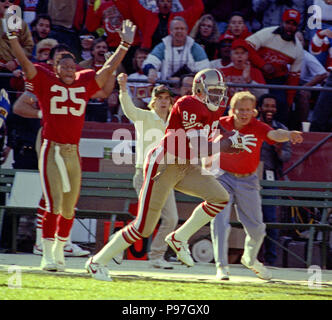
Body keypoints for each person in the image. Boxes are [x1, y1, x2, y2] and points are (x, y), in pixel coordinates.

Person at [85, 68, 258, 281]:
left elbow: (211, 134)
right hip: (163, 166)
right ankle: (97, 262)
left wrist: (231, 138)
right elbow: (201, 147)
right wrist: (227, 143)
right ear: (199, 89)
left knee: (220, 197)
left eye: (220, 91)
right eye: (212, 91)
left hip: (187, 165)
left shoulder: (217, 106)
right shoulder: (188, 104)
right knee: (143, 227)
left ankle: (179, 237)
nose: (218, 96)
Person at [5, 16, 136, 271]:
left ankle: (59, 250)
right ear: (54, 68)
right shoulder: (44, 79)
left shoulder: (84, 80)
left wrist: (124, 46)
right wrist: (12, 39)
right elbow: (23, 61)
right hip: (51, 148)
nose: (67, 71)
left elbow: (107, 69)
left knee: (68, 205)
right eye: (63, 67)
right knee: (54, 202)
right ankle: (46, 253)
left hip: (72, 151)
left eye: (70, 67)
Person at [208, 91, 303, 281]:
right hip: (222, 176)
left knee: (257, 229)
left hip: (248, 180)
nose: (244, 114)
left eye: (248, 110)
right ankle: (221, 267)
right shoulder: (220, 124)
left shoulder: (257, 126)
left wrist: (289, 134)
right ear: (232, 110)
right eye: (240, 110)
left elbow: (275, 134)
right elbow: (205, 144)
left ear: (254, 112)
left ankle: (250, 259)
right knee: (219, 221)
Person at [117, 73, 178, 269]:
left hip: (165, 177)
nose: (163, 101)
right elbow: (128, 109)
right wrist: (123, 88)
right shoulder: (144, 116)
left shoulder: (174, 124)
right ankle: (116, 244)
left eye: (166, 98)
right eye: (159, 98)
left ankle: (157, 255)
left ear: (171, 103)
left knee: (171, 218)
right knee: (146, 222)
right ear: (153, 101)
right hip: (144, 175)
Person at [246, 9, 304, 126]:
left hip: (277, 80)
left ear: (298, 27)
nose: (290, 27)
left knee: (281, 103)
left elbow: (294, 78)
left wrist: (289, 102)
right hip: (258, 73)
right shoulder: (267, 33)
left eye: (294, 25)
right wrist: (263, 64)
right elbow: (246, 47)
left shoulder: (298, 48)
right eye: (288, 23)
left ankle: (278, 132)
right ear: (282, 22)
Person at [257, 93, 292, 266]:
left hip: (270, 178)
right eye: (267, 106)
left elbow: (286, 156)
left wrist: (278, 149)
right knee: (251, 218)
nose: (270, 109)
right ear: (260, 107)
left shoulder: (281, 129)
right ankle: (251, 257)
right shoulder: (251, 124)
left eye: (273, 106)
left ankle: (270, 260)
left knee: (270, 219)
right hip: (249, 175)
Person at [143, 16, 210, 83]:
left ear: (187, 31)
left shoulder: (195, 47)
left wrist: (183, 80)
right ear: (171, 31)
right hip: (167, 86)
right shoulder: (163, 46)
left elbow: (205, 69)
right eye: (176, 28)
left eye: (182, 29)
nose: (179, 31)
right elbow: (149, 62)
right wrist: (151, 71)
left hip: (189, 87)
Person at [115, 0, 204, 50]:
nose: (165, 4)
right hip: (149, 53)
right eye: (162, 1)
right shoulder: (147, 17)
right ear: (157, 4)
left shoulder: (179, 18)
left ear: (172, 4)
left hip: (173, 54)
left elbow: (198, 8)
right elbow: (132, 5)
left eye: (168, 1)